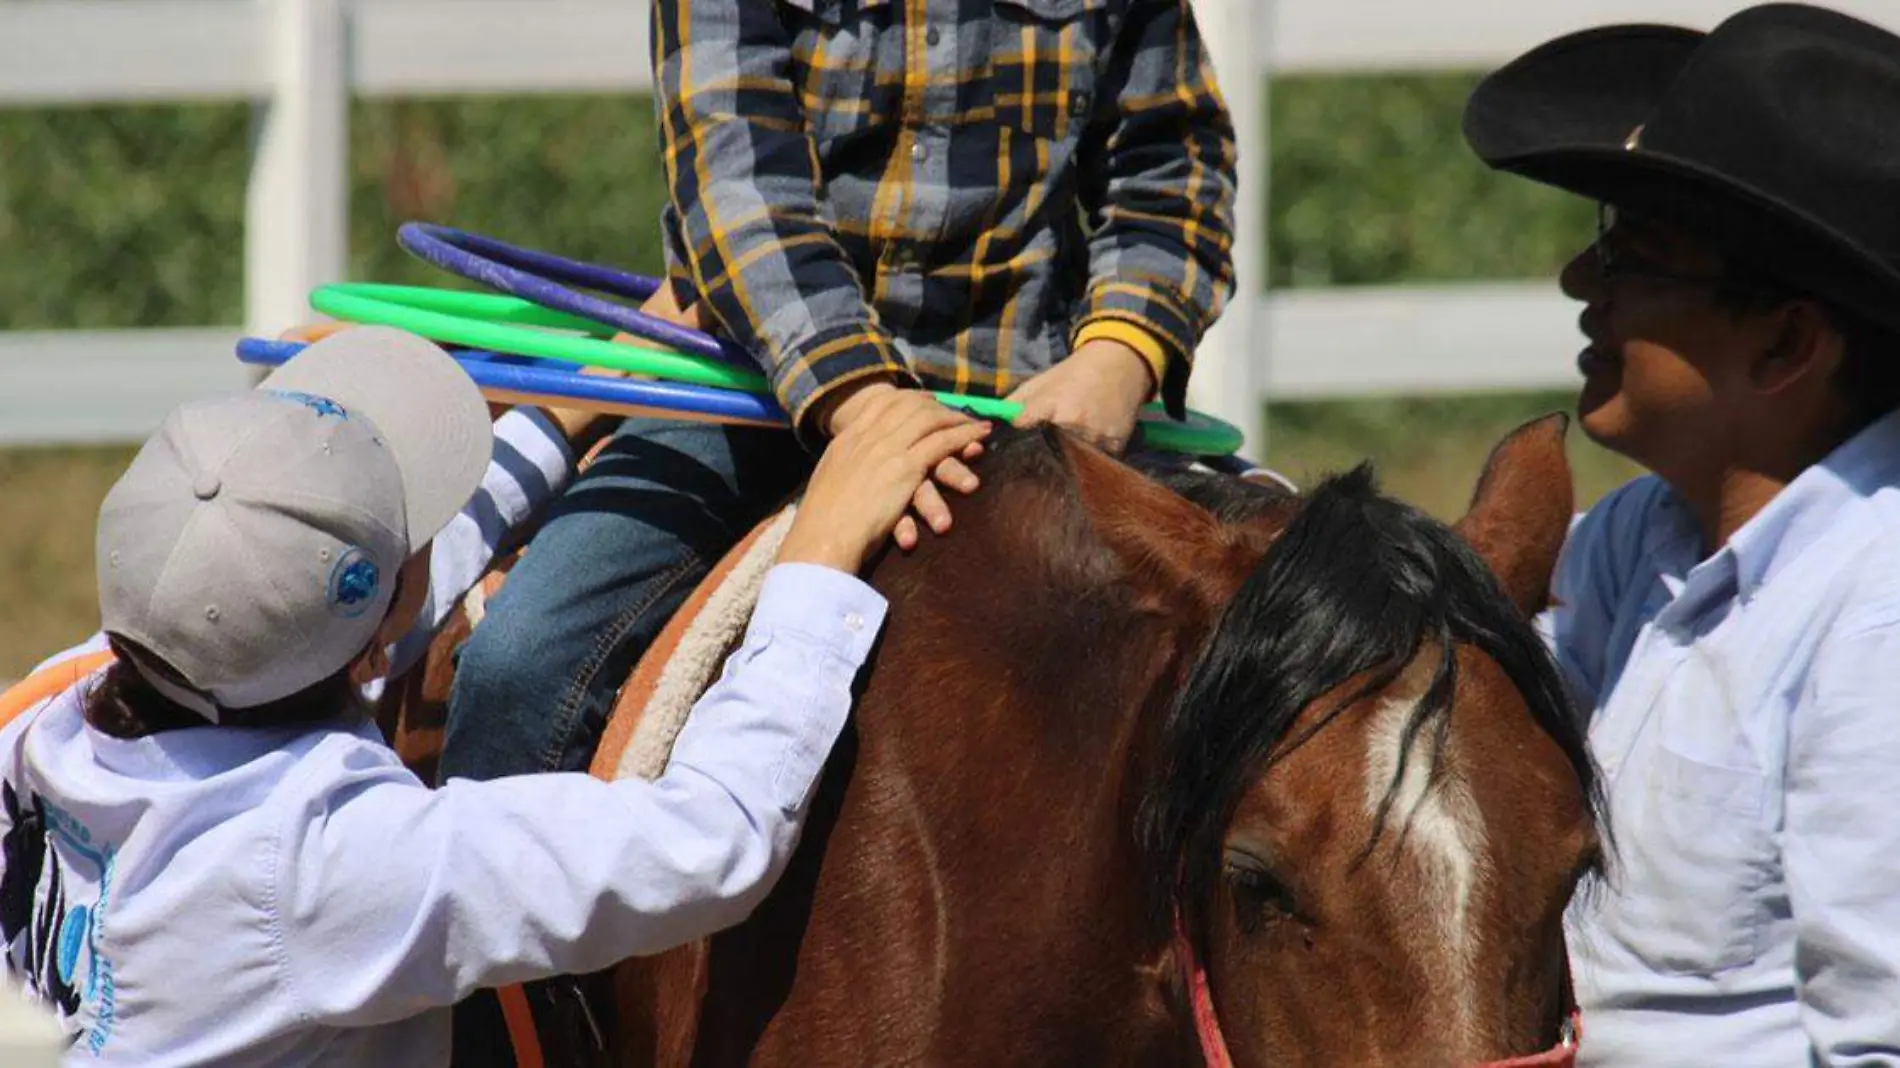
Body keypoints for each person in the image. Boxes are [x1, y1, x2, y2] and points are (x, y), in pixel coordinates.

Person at [0, 327, 990, 1065]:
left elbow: (355, 600)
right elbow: (712, 839)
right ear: (376, 637)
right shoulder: (320, 867)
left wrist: (576, 403)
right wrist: (820, 555)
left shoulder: (64, 704)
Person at [438, 0, 1238, 799]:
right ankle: (488, 911)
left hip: (1031, 402)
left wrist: (1122, 354)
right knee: (525, 664)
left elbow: (1173, 166)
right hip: (756, 385)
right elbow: (737, 195)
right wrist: (864, 398)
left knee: (1299, 638)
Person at [1463, 5, 1900, 1064]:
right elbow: (1460, 729)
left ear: (1786, 341)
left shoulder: (1874, 616)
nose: (1582, 282)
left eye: (1634, 258)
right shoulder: (1637, 536)